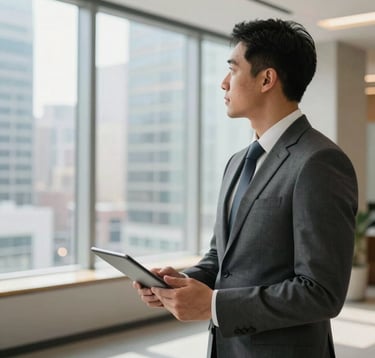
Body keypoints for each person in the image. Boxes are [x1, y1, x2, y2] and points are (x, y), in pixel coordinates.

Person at [133, 19, 358, 358]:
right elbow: (222, 260)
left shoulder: (319, 161)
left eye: (233, 70)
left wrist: (213, 305)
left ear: (267, 79)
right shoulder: (238, 162)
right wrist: (177, 283)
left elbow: (321, 292)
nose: (223, 83)